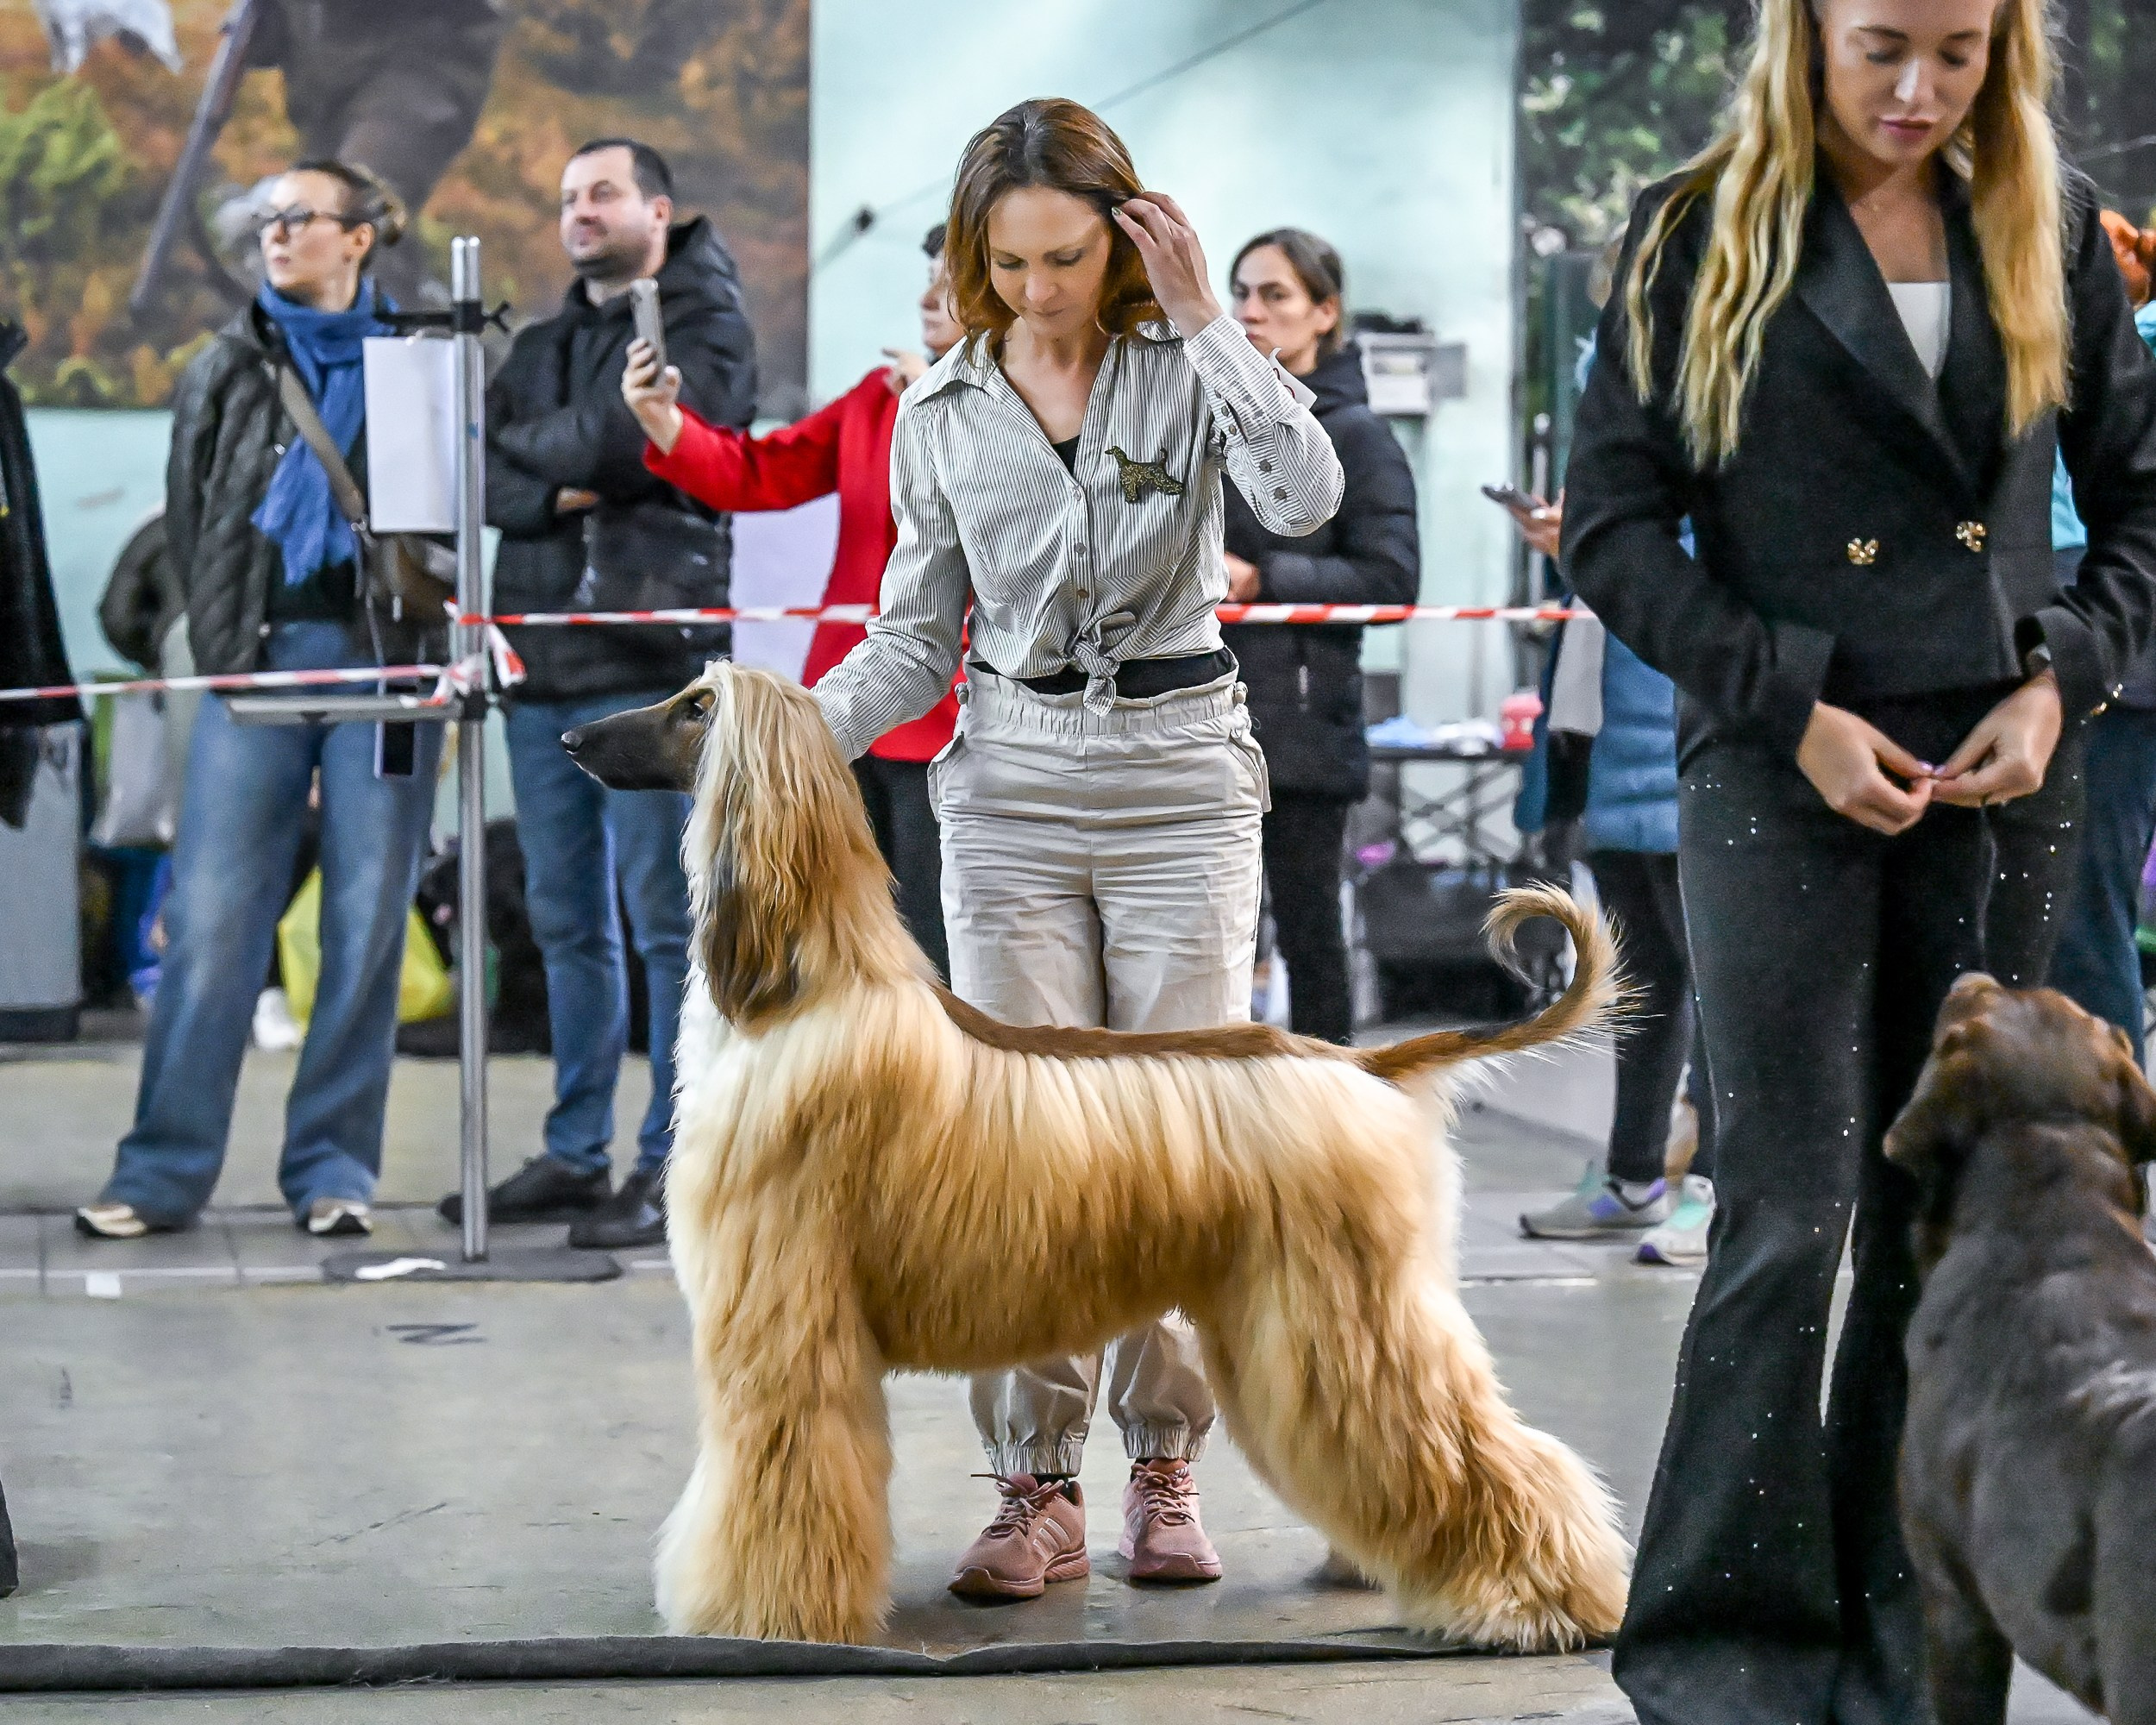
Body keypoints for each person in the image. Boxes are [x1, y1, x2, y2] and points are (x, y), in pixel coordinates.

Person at [1564, 2, 2156, 1720]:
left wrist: (2063, 678)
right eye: (1879, 47)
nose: (1916, 92)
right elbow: (1609, 523)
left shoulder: (2042, 223)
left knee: (1931, 1215)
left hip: (2000, 767)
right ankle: (1720, 1652)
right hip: (1777, 757)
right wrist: (1793, 700)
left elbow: (2138, 503)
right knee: (1782, 1206)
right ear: (1801, 36)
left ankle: (1913, 1652)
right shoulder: (1694, 232)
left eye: (1957, 55)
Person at [792, 97, 1340, 1599]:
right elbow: (911, 643)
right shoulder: (943, 408)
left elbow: (1306, 498)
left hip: (1180, 781)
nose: (1039, 290)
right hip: (1012, 785)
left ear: (1126, 234)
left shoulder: (1187, 369)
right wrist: (788, 737)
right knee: (1017, 1151)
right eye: (1011, 262)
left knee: (1172, 1144)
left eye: (1067, 258)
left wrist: (1208, 319)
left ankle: (1165, 1471)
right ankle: (1034, 1490)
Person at [78, 160, 444, 1241]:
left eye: (302, 217)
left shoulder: (420, 363)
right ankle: (161, 1172)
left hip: (384, 663)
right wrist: (225, 636)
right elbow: (192, 522)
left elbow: (449, 513)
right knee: (208, 918)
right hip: (261, 659)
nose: (277, 234)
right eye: (267, 218)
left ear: (360, 237)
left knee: (367, 920)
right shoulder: (227, 366)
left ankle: (333, 1169)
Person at [438, 138, 757, 1253]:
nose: (580, 211)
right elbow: (474, 466)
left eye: (603, 192)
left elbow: (649, 442)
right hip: (539, 661)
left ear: (658, 209)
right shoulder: (538, 341)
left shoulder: (707, 323)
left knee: (670, 927)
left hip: (649, 670)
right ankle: (578, 1152)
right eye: (569, 194)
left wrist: (565, 461)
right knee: (567, 920)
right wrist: (563, 468)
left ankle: (677, 1162)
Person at [622, 223, 962, 978]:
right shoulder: (880, 397)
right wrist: (666, 423)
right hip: (849, 710)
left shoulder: (1008, 403)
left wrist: (934, 409)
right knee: (845, 943)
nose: (927, 296)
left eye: (951, 278)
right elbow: (760, 474)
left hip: (954, 719)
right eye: (929, 273)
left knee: (941, 951)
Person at [1217, 229, 1418, 1045]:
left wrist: (1266, 580)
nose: (1251, 311)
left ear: (1324, 314)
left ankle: (1335, 1132)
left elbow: (1393, 579)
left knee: (1308, 940)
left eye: (1275, 295)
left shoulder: (1359, 435)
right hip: (1207, 717)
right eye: (1241, 293)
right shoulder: (1219, 420)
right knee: (1216, 949)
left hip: (1301, 729)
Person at [2048, 210, 2156, 1063]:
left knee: (2080, 915)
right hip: (2111, 645)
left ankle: (2107, 1165)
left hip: (2109, 648)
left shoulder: (2129, 352)